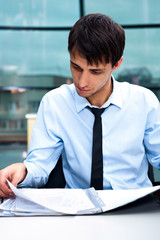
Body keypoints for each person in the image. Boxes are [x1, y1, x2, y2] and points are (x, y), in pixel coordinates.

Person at [0, 13, 160, 198]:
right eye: (76, 67)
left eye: (95, 71)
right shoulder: (55, 103)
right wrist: (23, 170)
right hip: (78, 210)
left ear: (116, 64)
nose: (82, 82)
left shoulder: (144, 102)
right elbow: (40, 165)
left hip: (136, 207)